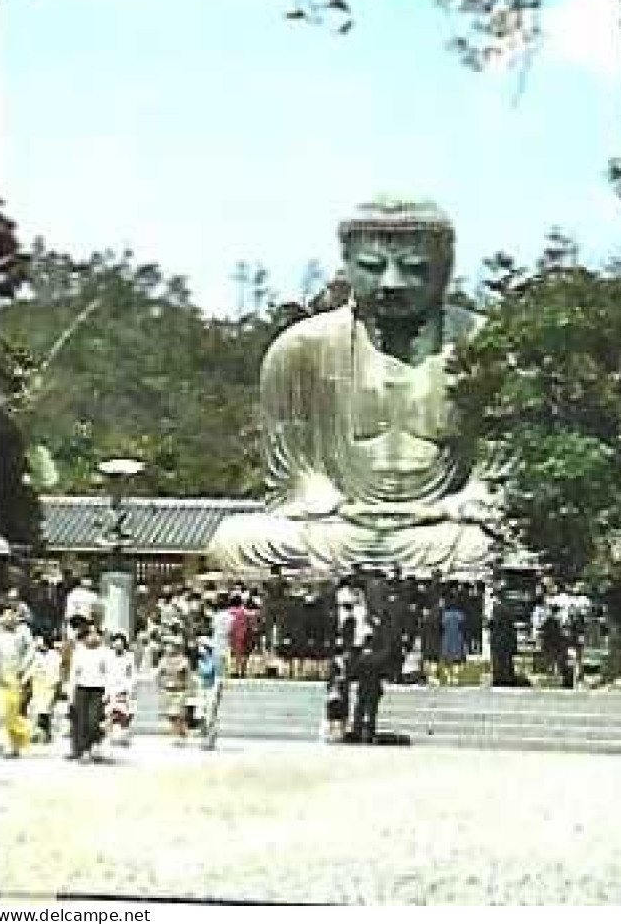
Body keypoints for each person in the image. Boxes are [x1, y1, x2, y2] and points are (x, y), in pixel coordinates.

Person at [207, 199, 496, 575]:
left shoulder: (486, 349)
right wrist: (321, 497)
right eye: (372, 267)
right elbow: (293, 474)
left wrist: (465, 501)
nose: (392, 283)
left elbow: (495, 475)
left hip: (440, 527)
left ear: (445, 268)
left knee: (485, 548)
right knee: (238, 540)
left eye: (414, 268)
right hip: (339, 525)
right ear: (346, 263)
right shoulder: (301, 348)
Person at [0, 607, 35, 757]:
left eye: (13, 615)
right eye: (7, 615)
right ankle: (5, 743)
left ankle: (15, 744)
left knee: (10, 711)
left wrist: (23, 670)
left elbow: (30, 651)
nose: (11, 618)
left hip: (13, 676)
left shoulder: (19, 635)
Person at [68, 625, 109, 761]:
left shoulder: (104, 652)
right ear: (84, 637)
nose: (93, 637)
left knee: (93, 721)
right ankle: (84, 750)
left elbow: (108, 673)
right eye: (90, 634)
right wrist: (70, 694)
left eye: (96, 634)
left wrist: (108, 692)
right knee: (82, 722)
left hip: (98, 690)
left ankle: (93, 745)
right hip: (81, 689)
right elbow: (74, 674)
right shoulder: (79, 652)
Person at [349, 629, 387, 744]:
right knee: (372, 713)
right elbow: (383, 674)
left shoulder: (360, 659)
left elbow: (353, 674)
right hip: (375, 689)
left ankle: (357, 732)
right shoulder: (379, 659)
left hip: (362, 689)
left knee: (359, 711)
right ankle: (370, 734)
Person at [156, 637, 192, 745]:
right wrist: (160, 687)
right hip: (167, 691)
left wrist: (187, 690)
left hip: (180, 691)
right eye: (167, 645)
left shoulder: (184, 660)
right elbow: (158, 675)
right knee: (170, 715)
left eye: (171, 645)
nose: (168, 648)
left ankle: (178, 736)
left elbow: (188, 676)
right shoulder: (163, 660)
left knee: (177, 714)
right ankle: (181, 733)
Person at [29, 635, 63, 742]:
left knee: (45, 710)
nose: (39, 645)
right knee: (37, 710)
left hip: (49, 685)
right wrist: (23, 681)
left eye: (41, 643)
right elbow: (32, 669)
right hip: (38, 684)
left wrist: (55, 683)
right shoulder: (37, 655)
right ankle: (37, 733)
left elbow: (57, 671)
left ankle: (46, 734)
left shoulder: (55, 656)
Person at [106, 633, 136, 746]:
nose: (118, 646)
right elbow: (105, 672)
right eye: (116, 643)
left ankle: (124, 736)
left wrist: (129, 687)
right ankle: (110, 736)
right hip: (110, 687)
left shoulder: (129, 657)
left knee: (123, 714)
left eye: (121, 644)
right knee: (110, 713)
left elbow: (130, 673)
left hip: (123, 687)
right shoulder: (108, 656)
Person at [195, 638, 223, 749]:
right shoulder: (200, 660)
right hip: (202, 690)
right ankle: (204, 737)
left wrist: (216, 693)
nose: (199, 648)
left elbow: (218, 678)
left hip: (212, 690)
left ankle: (210, 738)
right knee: (200, 714)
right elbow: (199, 674)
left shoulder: (215, 661)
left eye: (201, 646)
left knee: (210, 716)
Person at [489, 593, 518, 687]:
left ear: (496, 598)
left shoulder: (496, 609)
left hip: (498, 638)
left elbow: (495, 623)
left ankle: (499, 679)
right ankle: (509, 679)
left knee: (498, 660)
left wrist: (489, 623)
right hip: (508, 638)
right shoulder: (509, 608)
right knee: (507, 660)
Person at [324, 646, 350, 741]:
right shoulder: (336, 663)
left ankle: (338, 733)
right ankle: (334, 733)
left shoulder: (343, 662)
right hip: (336, 691)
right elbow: (331, 677)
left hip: (340, 690)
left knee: (339, 713)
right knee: (335, 713)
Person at [440, 601, 467, 686]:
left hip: (447, 638)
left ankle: (448, 678)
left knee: (446, 660)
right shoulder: (460, 615)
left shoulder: (445, 615)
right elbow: (464, 627)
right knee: (457, 660)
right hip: (457, 638)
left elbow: (442, 626)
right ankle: (455, 678)